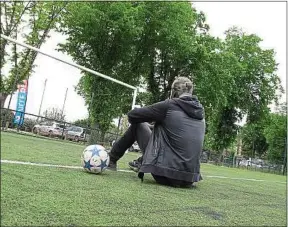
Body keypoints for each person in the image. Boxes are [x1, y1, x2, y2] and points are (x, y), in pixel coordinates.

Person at [108, 77, 205, 188]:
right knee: (157, 129)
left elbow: (133, 115)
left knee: (139, 124)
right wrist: (154, 126)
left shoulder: (169, 105)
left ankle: (111, 159)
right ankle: (141, 161)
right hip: (189, 179)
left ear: (173, 93)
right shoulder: (200, 112)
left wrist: (150, 121)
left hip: (166, 175)